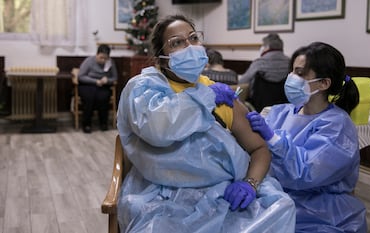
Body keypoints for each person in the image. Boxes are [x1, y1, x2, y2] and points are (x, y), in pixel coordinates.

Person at [116, 14, 295, 233]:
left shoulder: (222, 96)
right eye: (177, 43)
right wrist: (206, 97)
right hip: (162, 194)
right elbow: (158, 128)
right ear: (160, 57)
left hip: (222, 194)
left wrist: (250, 183)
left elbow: (259, 149)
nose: (189, 46)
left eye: (193, 38)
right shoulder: (145, 89)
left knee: (281, 208)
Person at [246, 42, 367, 232]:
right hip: (274, 197)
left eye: (300, 73)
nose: (292, 78)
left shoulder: (337, 126)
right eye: (293, 71)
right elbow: (253, 150)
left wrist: (273, 139)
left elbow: (306, 173)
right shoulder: (279, 112)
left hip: (319, 212)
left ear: (324, 83)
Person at [238, 33, 290, 112]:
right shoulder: (290, 63)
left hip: (260, 107)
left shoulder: (259, 63)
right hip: (285, 107)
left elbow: (242, 82)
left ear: (267, 47)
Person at [77, 44, 117, 133]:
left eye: (105, 58)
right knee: (89, 98)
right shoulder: (88, 61)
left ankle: (103, 123)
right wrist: (95, 81)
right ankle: (86, 124)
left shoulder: (110, 63)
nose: (103, 60)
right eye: (101, 57)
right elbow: (81, 76)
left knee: (103, 97)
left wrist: (107, 80)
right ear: (97, 54)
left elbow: (114, 77)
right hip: (88, 84)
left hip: (103, 85)